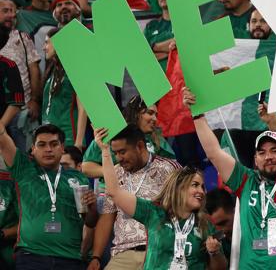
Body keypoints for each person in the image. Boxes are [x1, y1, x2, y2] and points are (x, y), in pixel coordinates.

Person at [184, 84, 276, 269]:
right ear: (255, 160)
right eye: (262, 153)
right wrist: (197, 115)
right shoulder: (245, 181)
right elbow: (214, 152)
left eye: (274, 150)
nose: (269, 156)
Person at [94, 128, 225, 270]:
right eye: (195, 185)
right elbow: (114, 191)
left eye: (203, 186)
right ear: (179, 188)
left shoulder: (205, 225)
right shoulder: (154, 214)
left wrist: (215, 252)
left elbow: (220, 268)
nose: (201, 191)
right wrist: (105, 152)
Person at [0, 123, 98, 268]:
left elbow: (89, 221)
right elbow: (2, 137)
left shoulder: (78, 177)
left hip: (69, 257)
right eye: (42, 145)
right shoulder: (23, 169)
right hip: (31, 256)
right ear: (33, 149)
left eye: (54, 144)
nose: (48, 149)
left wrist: (92, 207)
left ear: (62, 148)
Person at [88, 124, 180, 270]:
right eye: (115, 153)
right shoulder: (115, 174)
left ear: (140, 146)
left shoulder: (169, 169)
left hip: (158, 250)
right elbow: (107, 215)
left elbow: (183, 210)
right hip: (123, 253)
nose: (119, 158)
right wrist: (96, 257)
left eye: (122, 152)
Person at [82, 97, 176, 179]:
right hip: (115, 192)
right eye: (150, 113)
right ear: (136, 114)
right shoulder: (112, 133)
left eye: (156, 115)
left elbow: (171, 166)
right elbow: (86, 167)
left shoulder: (156, 138)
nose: (155, 119)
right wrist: (110, 171)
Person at [41, 29, 86, 148]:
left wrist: (78, 142)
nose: (44, 48)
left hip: (68, 138)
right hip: (49, 137)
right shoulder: (53, 70)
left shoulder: (74, 69)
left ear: (58, 43)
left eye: (47, 43)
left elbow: (83, 109)